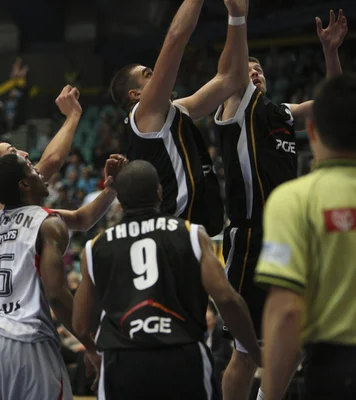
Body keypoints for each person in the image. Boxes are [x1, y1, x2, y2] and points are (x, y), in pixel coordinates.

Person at [0, 84, 117, 396]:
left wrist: (110, 189)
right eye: (14, 153)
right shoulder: (13, 200)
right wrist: (72, 117)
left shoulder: (1, 218)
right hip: (6, 328)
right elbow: (52, 160)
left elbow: (81, 219)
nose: (26, 155)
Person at [214, 10, 347, 400]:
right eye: (247, 69)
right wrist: (237, 20)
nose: (254, 73)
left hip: (286, 235)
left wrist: (330, 52)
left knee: (299, 341)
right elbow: (235, 71)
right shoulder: (232, 112)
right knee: (245, 353)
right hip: (249, 236)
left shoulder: (284, 114)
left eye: (259, 70)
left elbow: (332, 104)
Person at [72, 160, 261, 399]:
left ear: (119, 201)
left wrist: (94, 353)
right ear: (159, 193)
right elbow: (226, 298)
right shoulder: (192, 234)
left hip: (122, 360)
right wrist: (253, 349)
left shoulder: (96, 246)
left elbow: (80, 324)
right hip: (181, 354)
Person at [254, 73, 356, 400]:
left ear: (311, 131)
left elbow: (286, 310)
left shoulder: (293, 200)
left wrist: (270, 394)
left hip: (336, 368)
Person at [109, 0, 250, 236]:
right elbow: (176, 37)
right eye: (148, 75)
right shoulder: (143, 114)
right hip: (171, 233)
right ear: (136, 95)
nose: (156, 76)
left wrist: (237, 17)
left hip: (197, 230)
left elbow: (231, 78)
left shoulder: (176, 110)